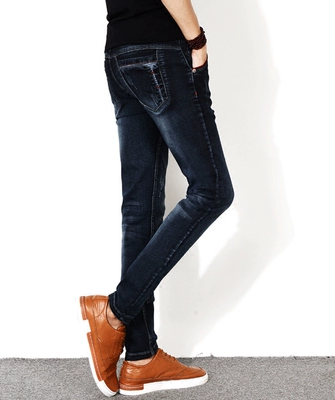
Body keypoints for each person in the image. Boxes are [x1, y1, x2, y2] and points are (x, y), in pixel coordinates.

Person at [78, 0, 234, 397]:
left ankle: (141, 357)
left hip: (119, 54)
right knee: (212, 190)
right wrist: (196, 40)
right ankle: (115, 310)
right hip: (161, 52)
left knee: (140, 208)